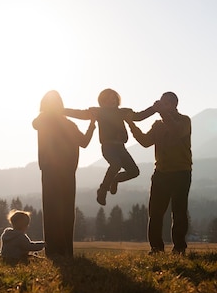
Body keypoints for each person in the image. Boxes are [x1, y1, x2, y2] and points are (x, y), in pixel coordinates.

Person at [125, 91, 192, 255]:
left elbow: (176, 131)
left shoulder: (184, 121)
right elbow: (145, 142)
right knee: (155, 212)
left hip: (181, 172)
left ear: (174, 105)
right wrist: (132, 125)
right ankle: (156, 248)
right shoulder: (158, 125)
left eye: (166, 103)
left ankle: (179, 248)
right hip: (161, 173)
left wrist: (161, 112)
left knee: (179, 211)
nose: (162, 106)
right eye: (161, 103)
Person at [65, 88, 156, 206]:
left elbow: (139, 116)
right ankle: (102, 190)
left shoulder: (123, 112)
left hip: (121, 148)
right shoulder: (98, 112)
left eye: (113, 98)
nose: (111, 100)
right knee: (116, 164)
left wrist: (154, 109)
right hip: (108, 147)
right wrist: (60, 110)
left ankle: (115, 179)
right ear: (102, 101)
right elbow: (79, 113)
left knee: (134, 171)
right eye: (108, 98)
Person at [32, 90, 96, 257]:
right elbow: (35, 123)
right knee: (57, 210)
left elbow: (84, 142)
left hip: (64, 171)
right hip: (53, 170)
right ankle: (56, 251)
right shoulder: (44, 120)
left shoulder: (68, 124)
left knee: (63, 210)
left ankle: (62, 251)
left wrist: (92, 124)